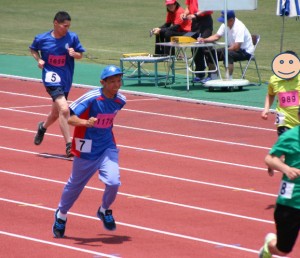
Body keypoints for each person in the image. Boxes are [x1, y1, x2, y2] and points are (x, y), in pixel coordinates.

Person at [52, 65, 126, 238]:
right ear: (103, 82)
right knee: (76, 184)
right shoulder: (92, 97)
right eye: (113, 82)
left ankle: (104, 210)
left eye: (119, 81)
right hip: (86, 146)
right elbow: (68, 117)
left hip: (107, 146)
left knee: (114, 182)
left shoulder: (121, 100)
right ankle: (61, 215)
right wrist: (85, 123)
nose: (117, 85)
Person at [29, 11, 85, 157]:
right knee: (64, 109)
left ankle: (42, 127)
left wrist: (75, 54)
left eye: (68, 26)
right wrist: (39, 60)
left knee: (55, 113)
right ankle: (68, 145)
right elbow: (33, 49)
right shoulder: (42, 38)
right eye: (64, 26)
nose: (66, 28)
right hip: (50, 77)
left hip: (66, 78)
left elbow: (80, 54)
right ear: (55, 23)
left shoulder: (72, 37)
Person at [259, 125, 300, 258]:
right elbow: (269, 159)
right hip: (291, 201)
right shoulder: (290, 136)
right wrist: (286, 169)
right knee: (283, 250)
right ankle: (269, 246)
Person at [261, 51, 300, 176]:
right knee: (287, 142)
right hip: (284, 120)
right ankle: (274, 159)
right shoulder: (274, 79)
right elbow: (270, 95)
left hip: (298, 119)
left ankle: (275, 161)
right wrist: (266, 109)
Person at [198, 10, 254, 83]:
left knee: (228, 54)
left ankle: (228, 79)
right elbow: (217, 36)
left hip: (245, 51)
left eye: (225, 20)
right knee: (211, 52)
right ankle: (213, 77)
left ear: (231, 20)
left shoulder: (240, 27)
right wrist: (204, 40)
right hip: (232, 48)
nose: (223, 22)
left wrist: (225, 51)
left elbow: (237, 47)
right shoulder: (225, 24)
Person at [180, 0, 213, 82]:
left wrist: (195, 15)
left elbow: (207, 7)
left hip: (205, 21)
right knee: (194, 47)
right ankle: (200, 73)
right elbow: (189, 7)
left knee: (206, 47)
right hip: (195, 22)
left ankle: (212, 74)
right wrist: (185, 13)